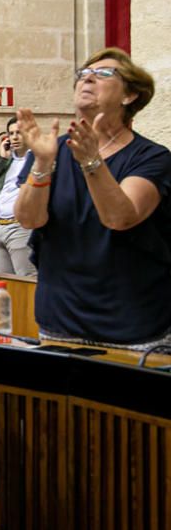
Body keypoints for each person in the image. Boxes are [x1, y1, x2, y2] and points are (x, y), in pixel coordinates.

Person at [15, 47, 171, 350]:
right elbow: (28, 219)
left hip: (132, 328)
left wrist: (91, 162)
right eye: (83, 74)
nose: (87, 79)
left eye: (102, 74)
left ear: (130, 96)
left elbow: (120, 217)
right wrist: (43, 164)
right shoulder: (52, 149)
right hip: (60, 322)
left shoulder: (152, 157)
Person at [0, 117, 36, 276]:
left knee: (26, 278)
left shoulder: (36, 159)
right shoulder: (6, 161)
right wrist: (2, 158)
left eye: (19, 132)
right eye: (11, 133)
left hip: (19, 227)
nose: (15, 137)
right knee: (3, 281)